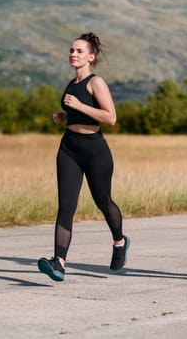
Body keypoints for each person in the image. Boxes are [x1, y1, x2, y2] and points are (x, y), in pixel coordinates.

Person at [38, 32, 130, 282]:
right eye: (71, 50)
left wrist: (77, 107)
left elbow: (110, 117)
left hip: (95, 150)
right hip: (69, 148)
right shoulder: (71, 84)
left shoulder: (95, 82)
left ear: (91, 56)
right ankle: (59, 263)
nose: (73, 54)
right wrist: (66, 117)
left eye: (79, 51)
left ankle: (119, 241)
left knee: (103, 202)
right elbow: (82, 112)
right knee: (66, 206)